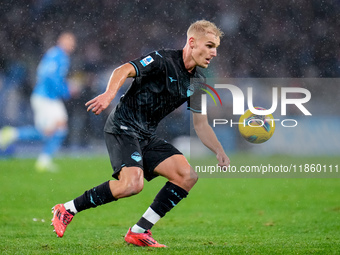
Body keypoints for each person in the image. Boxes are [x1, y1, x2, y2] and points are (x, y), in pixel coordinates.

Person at [51, 20, 230, 247]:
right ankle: (66, 209)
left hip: (146, 135)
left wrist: (219, 151)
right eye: (210, 46)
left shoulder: (198, 82)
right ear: (192, 42)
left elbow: (201, 124)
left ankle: (139, 231)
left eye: (216, 48)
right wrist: (108, 95)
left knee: (187, 177)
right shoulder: (163, 60)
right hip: (122, 126)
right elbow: (123, 69)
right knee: (132, 185)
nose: (214, 53)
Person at [0, 32, 76, 172]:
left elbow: (47, 74)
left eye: (72, 42)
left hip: (48, 98)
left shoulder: (55, 55)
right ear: (61, 41)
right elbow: (49, 76)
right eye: (69, 41)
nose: (72, 45)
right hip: (46, 98)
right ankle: (42, 159)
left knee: (48, 131)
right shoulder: (58, 56)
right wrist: (65, 90)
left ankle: (13, 134)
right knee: (58, 128)